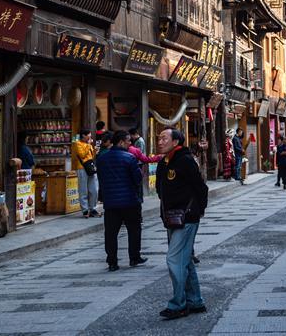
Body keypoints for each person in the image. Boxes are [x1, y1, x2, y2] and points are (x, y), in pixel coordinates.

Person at [156, 127, 209, 320]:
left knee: (174, 259)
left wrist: (197, 211)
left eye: (164, 138)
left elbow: (201, 188)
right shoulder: (164, 162)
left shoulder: (185, 160)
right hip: (171, 217)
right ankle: (195, 301)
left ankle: (178, 304)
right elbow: (161, 190)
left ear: (176, 142)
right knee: (184, 260)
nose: (160, 141)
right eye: (159, 138)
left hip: (186, 218)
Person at [96, 131, 146, 271]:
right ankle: (134, 257)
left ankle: (112, 261)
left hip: (111, 202)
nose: (130, 143)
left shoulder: (102, 158)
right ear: (121, 142)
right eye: (128, 140)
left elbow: (101, 178)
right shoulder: (129, 158)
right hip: (130, 201)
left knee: (111, 233)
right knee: (134, 230)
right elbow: (137, 179)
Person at [71, 130, 99, 218]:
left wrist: (94, 150)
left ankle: (93, 208)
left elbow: (91, 156)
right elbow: (82, 155)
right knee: (83, 189)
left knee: (94, 189)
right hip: (82, 168)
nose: (90, 138)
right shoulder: (77, 143)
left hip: (90, 167)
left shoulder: (88, 144)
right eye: (89, 136)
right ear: (83, 136)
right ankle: (85, 210)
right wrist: (89, 145)